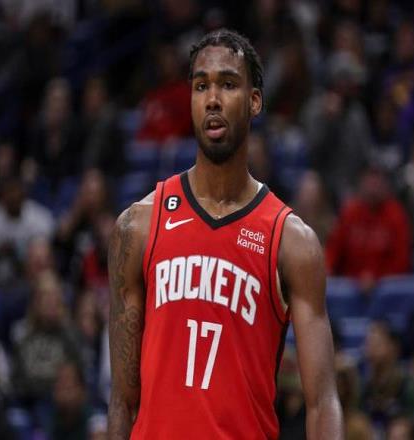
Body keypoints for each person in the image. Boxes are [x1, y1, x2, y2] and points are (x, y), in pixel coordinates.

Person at [107, 29, 342, 439]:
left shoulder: (292, 242)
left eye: (228, 84)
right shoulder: (138, 226)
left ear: (255, 101)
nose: (212, 99)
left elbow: (322, 402)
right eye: (201, 86)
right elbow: (122, 401)